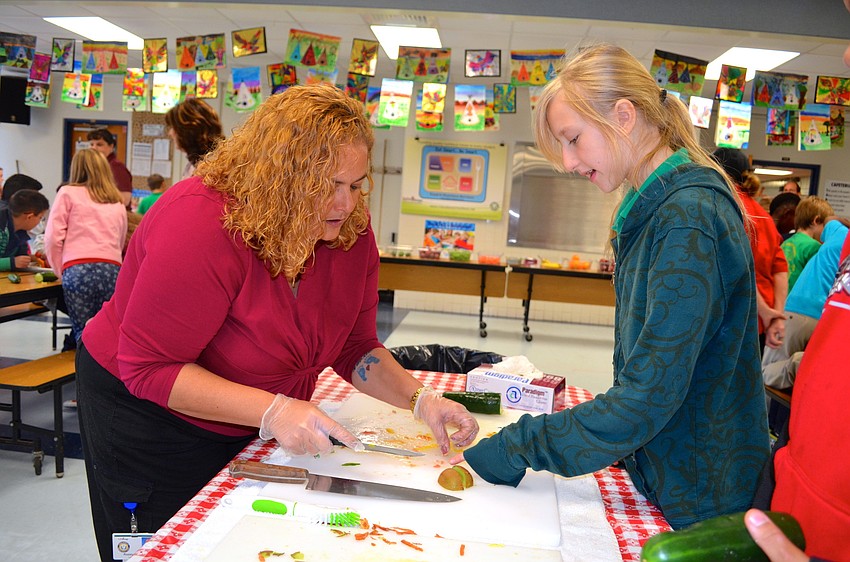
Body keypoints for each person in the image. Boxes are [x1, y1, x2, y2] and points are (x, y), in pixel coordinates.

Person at [76, 84, 479, 562]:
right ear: (279, 176)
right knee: (174, 543)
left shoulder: (347, 231)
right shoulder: (202, 224)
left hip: (247, 411)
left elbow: (355, 345)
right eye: (327, 184)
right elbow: (150, 368)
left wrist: (420, 401)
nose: (346, 204)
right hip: (147, 417)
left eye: (355, 185)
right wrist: (273, 411)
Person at [450, 44, 769, 530]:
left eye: (574, 139)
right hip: (663, 469)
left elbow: (644, 398)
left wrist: (516, 447)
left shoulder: (688, 219)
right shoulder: (656, 207)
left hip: (700, 491)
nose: (568, 161)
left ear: (623, 116)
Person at [44, 148, 127, 344]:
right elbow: (120, 239)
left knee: (83, 332)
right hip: (112, 269)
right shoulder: (116, 200)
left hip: (78, 268)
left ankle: (81, 372)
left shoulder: (67, 193)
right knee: (108, 331)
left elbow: (52, 237)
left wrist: (60, 270)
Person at [762, 217, 849, 391]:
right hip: (826, 319)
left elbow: (830, 219)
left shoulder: (841, 233)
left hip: (799, 308)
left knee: (765, 374)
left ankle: (799, 362)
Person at [713, 149, 787, 351]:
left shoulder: (726, 207)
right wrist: (775, 315)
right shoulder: (764, 216)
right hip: (760, 325)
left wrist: (763, 311)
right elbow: (780, 269)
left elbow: (738, 267)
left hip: (733, 320)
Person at [781, 196, 833, 291]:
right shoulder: (814, 247)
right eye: (825, 226)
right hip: (798, 299)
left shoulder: (785, 243)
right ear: (816, 221)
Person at [164, 98, 223, 180]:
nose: (170, 133)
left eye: (173, 128)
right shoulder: (195, 163)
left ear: (188, 130)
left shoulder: (213, 169)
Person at [0, 189, 48, 271]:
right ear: (29, 217)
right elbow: (12, 260)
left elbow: (18, 255)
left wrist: (33, 258)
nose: (40, 222)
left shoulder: (20, 232)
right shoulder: (2, 227)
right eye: (40, 217)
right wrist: (11, 262)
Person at [87, 128, 132, 208]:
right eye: (91, 144)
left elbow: (125, 199)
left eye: (99, 145)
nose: (94, 148)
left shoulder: (116, 167)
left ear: (111, 146)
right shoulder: (96, 166)